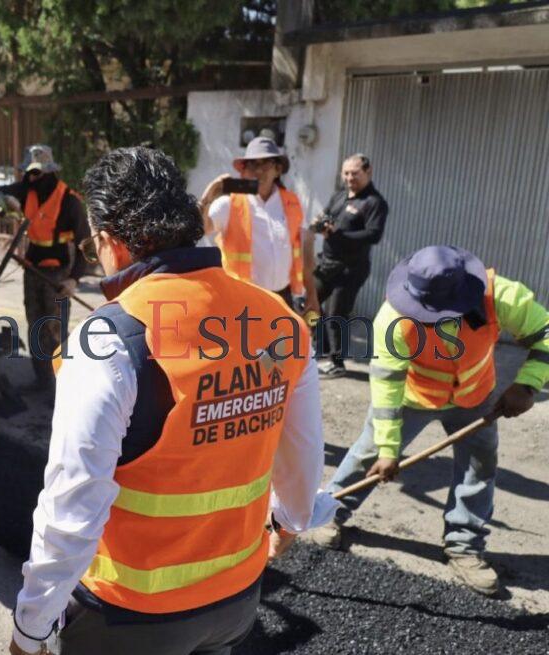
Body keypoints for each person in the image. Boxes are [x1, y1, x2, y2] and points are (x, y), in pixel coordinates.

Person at [9, 147, 335, 655]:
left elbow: (71, 506)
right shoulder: (278, 321)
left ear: (108, 242)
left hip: (130, 613)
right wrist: (290, 522)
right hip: (235, 601)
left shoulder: (108, 340)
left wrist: (32, 627)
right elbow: (303, 459)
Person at [317, 246, 549, 596]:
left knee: (479, 468)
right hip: (414, 396)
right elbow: (385, 388)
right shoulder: (391, 319)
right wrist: (389, 449)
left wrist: (528, 384)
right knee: (369, 452)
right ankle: (329, 511)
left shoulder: (498, 295)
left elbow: (545, 331)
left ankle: (464, 545)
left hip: (474, 397)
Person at [0, 144, 91, 388]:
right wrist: (4, 199)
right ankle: (42, 380)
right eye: (29, 173)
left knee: (55, 330)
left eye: (37, 173)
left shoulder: (69, 201)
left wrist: (74, 279)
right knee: (35, 326)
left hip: (58, 275)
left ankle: (62, 384)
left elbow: (85, 243)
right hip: (32, 270)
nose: (31, 178)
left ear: (50, 171)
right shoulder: (26, 189)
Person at [198, 136, 320, 316]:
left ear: (278, 170)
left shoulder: (291, 202)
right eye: (253, 164)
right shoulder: (229, 203)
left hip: (282, 297)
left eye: (266, 164)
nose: (259, 171)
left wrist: (311, 292)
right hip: (242, 299)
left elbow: (303, 246)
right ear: (244, 171)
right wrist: (208, 195)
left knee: (281, 344)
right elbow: (202, 228)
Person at [311, 154, 389, 378]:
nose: (349, 177)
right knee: (309, 303)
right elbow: (325, 216)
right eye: (346, 173)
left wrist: (340, 234)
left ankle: (337, 362)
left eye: (355, 173)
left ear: (368, 172)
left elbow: (373, 235)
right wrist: (319, 224)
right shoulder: (340, 196)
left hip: (350, 269)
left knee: (337, 313)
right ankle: (320, 347)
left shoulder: (374, 202)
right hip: (326, 264)